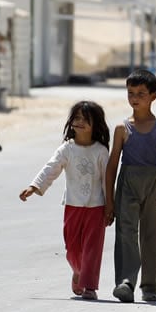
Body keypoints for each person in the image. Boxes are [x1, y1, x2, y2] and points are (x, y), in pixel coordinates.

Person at [19, 101, 110, 300]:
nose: (79, 122)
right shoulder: (67, 149)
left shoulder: (101, 151)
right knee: (72, 250)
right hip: (72, 206)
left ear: (96, 125)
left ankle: (89, 286)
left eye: (85, 119)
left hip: (96, 207)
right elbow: (51, 167)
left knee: (92, 250)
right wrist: (34, 186)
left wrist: (110, 207)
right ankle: (78, 271)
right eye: (76, 118)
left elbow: (107, 181)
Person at [104, 69, 156, 303]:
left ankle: (150, 286)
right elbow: (112, 164)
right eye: (131, 93)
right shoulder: (122, 129)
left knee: (153, 235)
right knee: (126, 231)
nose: (135, 97)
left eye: (141, 93)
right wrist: (109, 200)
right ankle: (126, 282)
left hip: (153, 183)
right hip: (127, 182)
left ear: (153, 96)